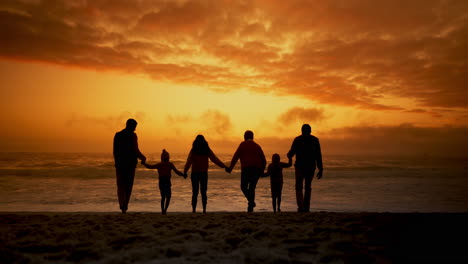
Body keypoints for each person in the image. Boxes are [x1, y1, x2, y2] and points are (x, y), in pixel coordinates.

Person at [184, 135, 227, 213]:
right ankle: (204, 210)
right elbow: (215, 159)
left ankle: (194, 210)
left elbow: (189, 161)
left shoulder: (194, 150)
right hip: (204, 173)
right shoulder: (206, 149)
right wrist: (224, 166)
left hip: (195, 173)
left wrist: (185, 172)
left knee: (195, 192)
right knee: (204, 192)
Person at [226, 130, 266, 212]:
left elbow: (235, 157)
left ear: (245, 137)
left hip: (246, 169)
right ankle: (250, 206)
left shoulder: (242, 145)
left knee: (243, 187)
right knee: (252, 187)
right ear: (252, 137)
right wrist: (261, 171)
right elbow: (264, 160)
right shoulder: (257, 146)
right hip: (256, 169)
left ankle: (251, 202)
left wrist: (230, 168)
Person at [287, 124, 323, 213]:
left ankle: (301, 206)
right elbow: (318, 155)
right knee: (307, 187)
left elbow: (291, 153)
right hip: (310, 167)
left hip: (300, 166)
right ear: (310, 131)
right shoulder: (315, 140)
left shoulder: (298, 139)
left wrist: (289, 156)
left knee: (299, 187)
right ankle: (306, 207)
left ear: (302, 131)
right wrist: (320, 168)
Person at [113, 119, 146, 214]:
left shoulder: (117, 135)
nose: (135, 129)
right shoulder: (133, 135)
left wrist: (117, 162)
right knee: (128, 186)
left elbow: (114, 151)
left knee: (120, 185)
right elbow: (135, 150)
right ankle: (125, 206)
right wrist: (143, 157)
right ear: (132, 126)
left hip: (119, 164)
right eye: (135, 126)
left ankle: (121, 204)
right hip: (130, 164)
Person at [142, 149, 186, 215]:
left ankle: (163, 210)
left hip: (162, 181)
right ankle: (164, 210)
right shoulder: (170, 164)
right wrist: (183, 175)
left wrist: (144, 164)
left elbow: (150, 166)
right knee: (168, 197)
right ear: (168, 157)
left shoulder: (160, 164)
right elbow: (177, 172)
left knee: (163, 197)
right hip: (167, 181)